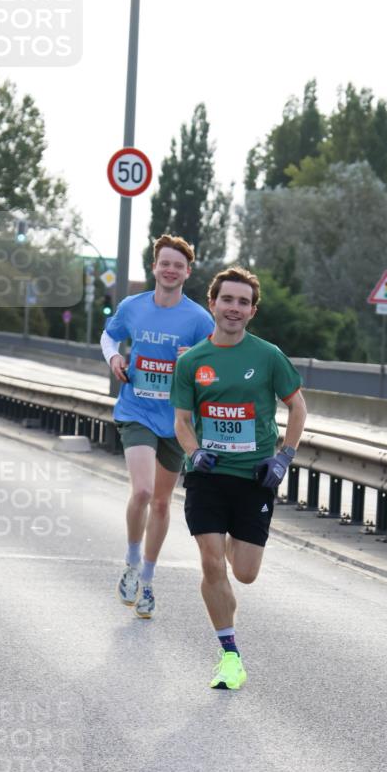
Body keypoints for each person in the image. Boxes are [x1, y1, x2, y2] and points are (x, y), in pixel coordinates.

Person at [171, 266, 307, 690]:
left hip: (254, 477)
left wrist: (284, 457)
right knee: (211, 562)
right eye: (227, 299)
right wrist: (195, 452)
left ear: (252, 311)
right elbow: (181, 420)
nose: (234, 308)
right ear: (212, 303)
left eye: (243, 302)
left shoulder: (268, 356)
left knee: (244, 572)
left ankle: (231, 538)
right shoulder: (192, 361)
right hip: (208, 476)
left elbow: (298, 408)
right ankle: (229, 653)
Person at [100, 234, 215, 619]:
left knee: (163, 502)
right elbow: (109, 334)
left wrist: (195, 360)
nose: (170, 270)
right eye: (164, 263)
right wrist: (115, 357)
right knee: (144, 490)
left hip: (177, 420)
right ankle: (131, 560)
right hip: (136, 410)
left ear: (187, 272)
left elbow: (213, 368)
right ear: (154, 267)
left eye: (178, 265)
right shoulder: (133, 306)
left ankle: (147, 580)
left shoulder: (199, 319)